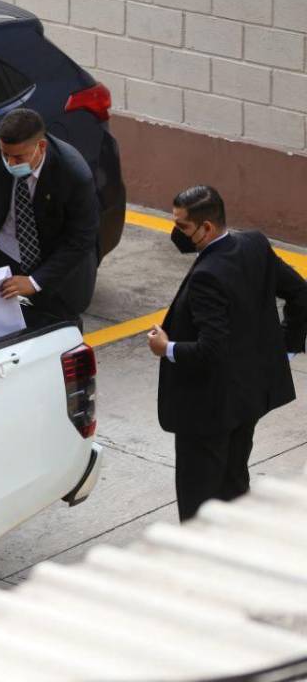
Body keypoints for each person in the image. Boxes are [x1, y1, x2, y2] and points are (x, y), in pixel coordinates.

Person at [146, 185, 307, 522]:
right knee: (234, 483)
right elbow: (300, 293)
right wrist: (286, 348)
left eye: (182, 226)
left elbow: (211, 350)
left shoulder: (208, 275)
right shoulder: (255, 244)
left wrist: (167, 348)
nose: (175, 232)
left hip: (207, 410)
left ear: (206, 228)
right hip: (247, 398)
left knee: (198, 501)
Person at [0, 108, 99, 327]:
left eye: (19, 157)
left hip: (53, 262)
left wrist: (35, 282)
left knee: (54, 330)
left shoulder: (74, 173)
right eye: (5, 155)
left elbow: (82, 238)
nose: (11, 163)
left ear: (41, 147)